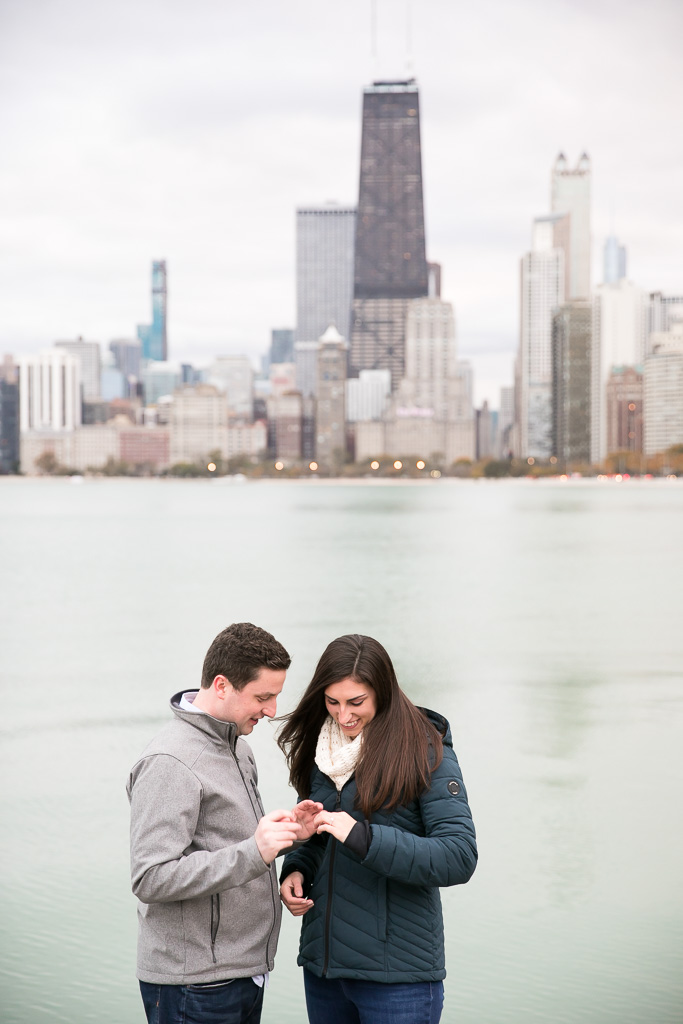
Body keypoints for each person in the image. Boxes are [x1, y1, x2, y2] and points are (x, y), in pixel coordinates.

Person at [127, 622, 322, 1024]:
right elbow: (150, 877)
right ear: (221, 685)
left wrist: (289, 838)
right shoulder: (170, 763)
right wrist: (255, 852)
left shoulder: (239, 748)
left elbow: (234, 843)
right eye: (262, 697)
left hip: (242, 975)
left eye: (275, 697)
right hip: (193, 986)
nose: (270, 711)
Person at [278, 634, 477, 1024]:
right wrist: (297, 867)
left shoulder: (426, 749)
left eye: (356, 702)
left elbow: (459, 856)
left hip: (399, 979)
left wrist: (365, 838)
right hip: (324, 971)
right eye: (332, 701)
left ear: (383, 692)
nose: (343, 715)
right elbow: (324, 836)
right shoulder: (322, 748)